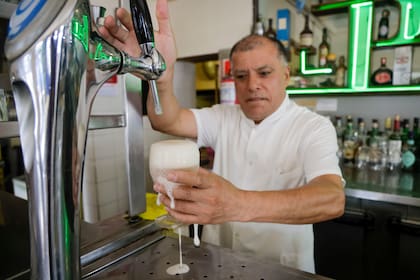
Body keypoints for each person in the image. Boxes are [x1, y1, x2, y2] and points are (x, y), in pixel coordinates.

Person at [99, 0, 345, 273]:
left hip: (282, 269)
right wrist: (162, 77)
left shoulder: (313, 127)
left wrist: (236, 204)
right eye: (241, 76)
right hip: (218, 264)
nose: (252, 85)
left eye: (264, 73)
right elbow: (165, 119)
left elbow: (332, 198)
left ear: (286, 75)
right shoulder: (224, 117)